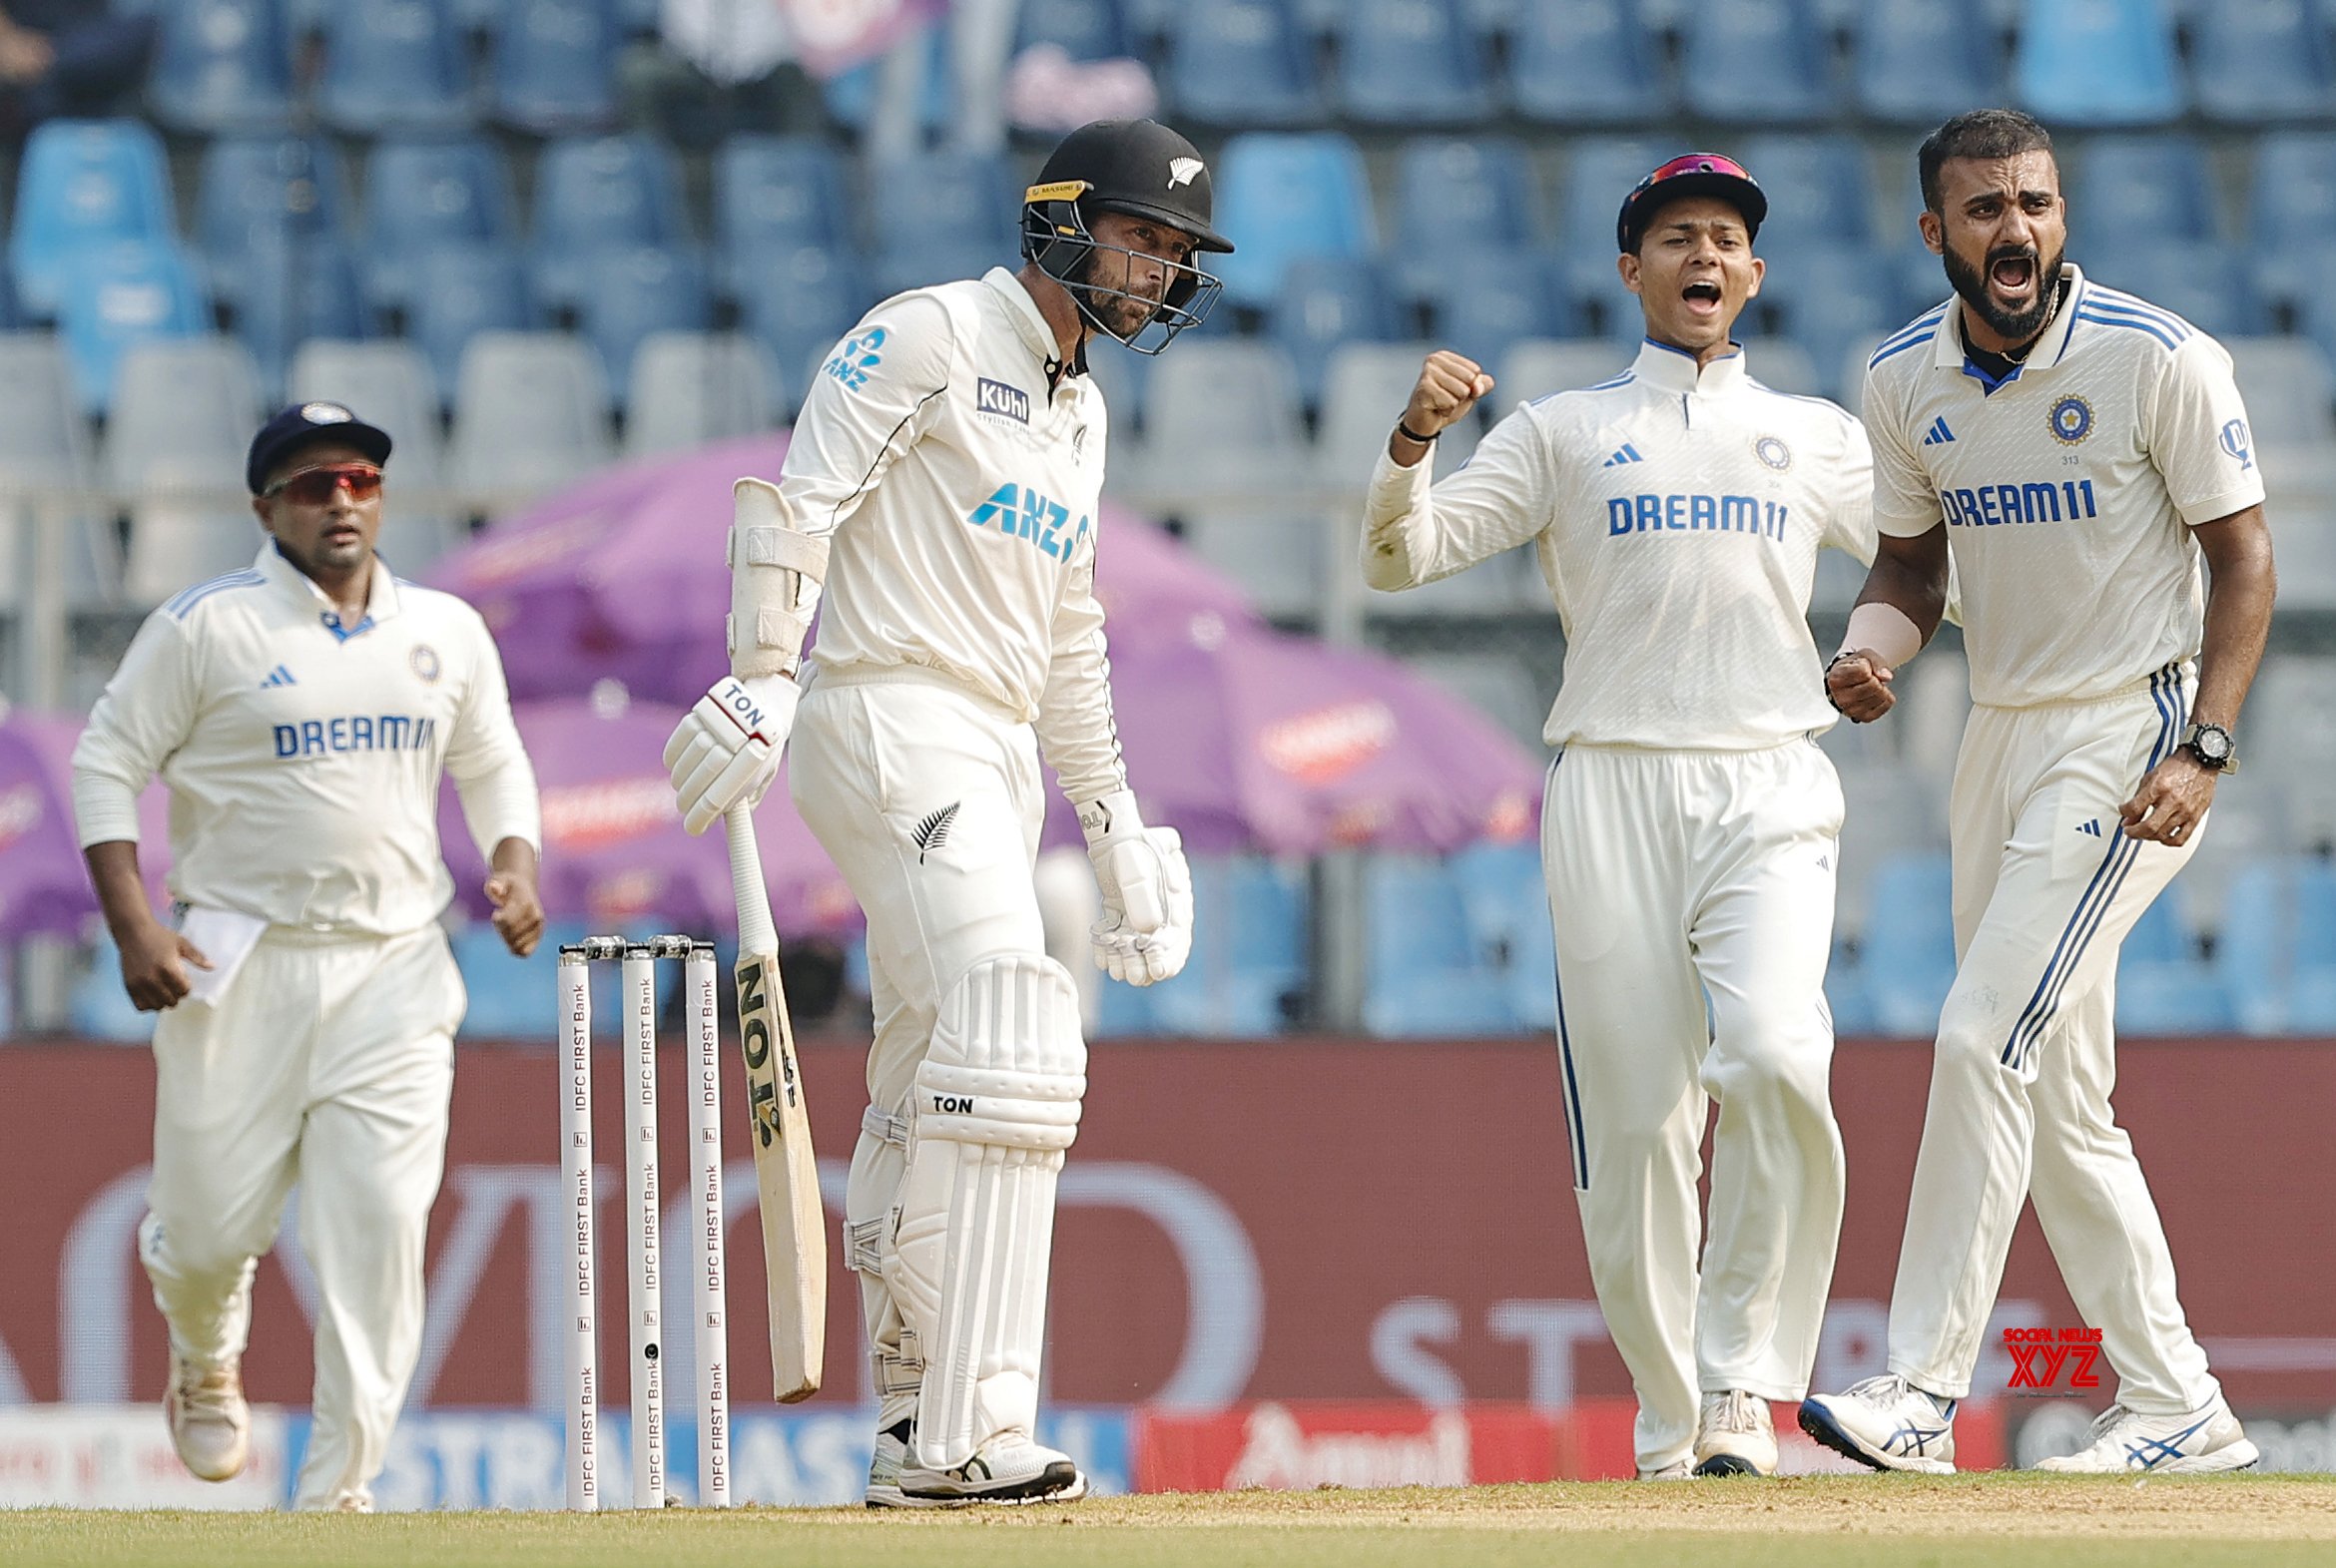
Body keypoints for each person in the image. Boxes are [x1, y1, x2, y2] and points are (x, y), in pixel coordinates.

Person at [661, 118, 1227, 1506]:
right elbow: (803, 499)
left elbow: (1070, 630)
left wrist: (1114, 821)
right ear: (1059, 219)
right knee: (1013, 1011)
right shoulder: (923, 335)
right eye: (1137, 236)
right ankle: (977, 1425)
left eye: (1172, 252)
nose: (1151, 271)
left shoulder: (1083, 408)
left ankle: (917, 1420)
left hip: (992, 748)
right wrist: (762, 678)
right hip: (883, 710)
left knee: (933, 1075)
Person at [1359, 154, 1878, 1479]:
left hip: (1769, 775)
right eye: (1676, 237)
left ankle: (1743, 1383)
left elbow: (1933, 565)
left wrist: (1897, 639)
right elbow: (1403, 557)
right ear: (1630, 269)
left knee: (1774, 1056)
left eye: (1726, 239)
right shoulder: (1562, 429)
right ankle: (1671, 1415)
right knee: (1640, 1125)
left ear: (1754, 275)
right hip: (1610, 781)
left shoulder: (1817, 432)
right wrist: (1412, 441)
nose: (1705, 256)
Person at [1799, 109, 2276, 1475]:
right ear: (1934, 230)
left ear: (2061, 214)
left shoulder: (2160, 357)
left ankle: (1923, 1388)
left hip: (2131, 735)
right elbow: (1908, 565)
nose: (2017, 230)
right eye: (1987, 209)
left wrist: (2206, 747)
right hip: (1995, 736)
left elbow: (2244, 561)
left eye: (2037, 203)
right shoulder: (1899, 377)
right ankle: (2177, 1400)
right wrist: (1867, 649)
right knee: (2059, 1095)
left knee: (1977, 1037)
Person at [71, 402, 545, 1510]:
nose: (342, 498)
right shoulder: (206, 627)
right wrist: (134, 924)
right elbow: (104, 765)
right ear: (264, 505)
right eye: (314, 482)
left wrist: (514, 864)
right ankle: (204, 1352)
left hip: (395, 964)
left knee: (377, 1232)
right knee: (202, 1235)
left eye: (362, 479)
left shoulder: (444, 628)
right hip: (237, 959)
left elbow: (495, 762)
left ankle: (341, 1494)